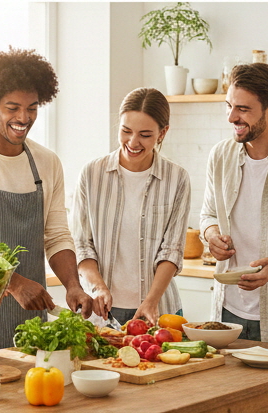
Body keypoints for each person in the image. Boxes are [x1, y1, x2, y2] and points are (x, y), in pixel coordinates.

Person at [0, 47, 94, 352]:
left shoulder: (47, 163)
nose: (23, 118)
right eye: (12, 108)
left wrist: (73, 286)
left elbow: (57, 235)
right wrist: (14, 283)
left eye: (32, 108)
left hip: (35, 319)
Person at [201, 62, 268, 367]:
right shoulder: (219, 156)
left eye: (243, 109)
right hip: (226, 316)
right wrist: (212, 236)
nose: (231, 117)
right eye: (228, 106)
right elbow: (208, 214)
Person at [71, 87, 189, 324]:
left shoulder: (176, 178)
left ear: (162, 133)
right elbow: (82, 245)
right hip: (100, 312)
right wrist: (98, 288)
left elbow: (171, 250)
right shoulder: (92, 174)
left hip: (158, 310)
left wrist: (151, 301)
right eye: (126, 131)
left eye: (145, 135)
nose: (133, 142)